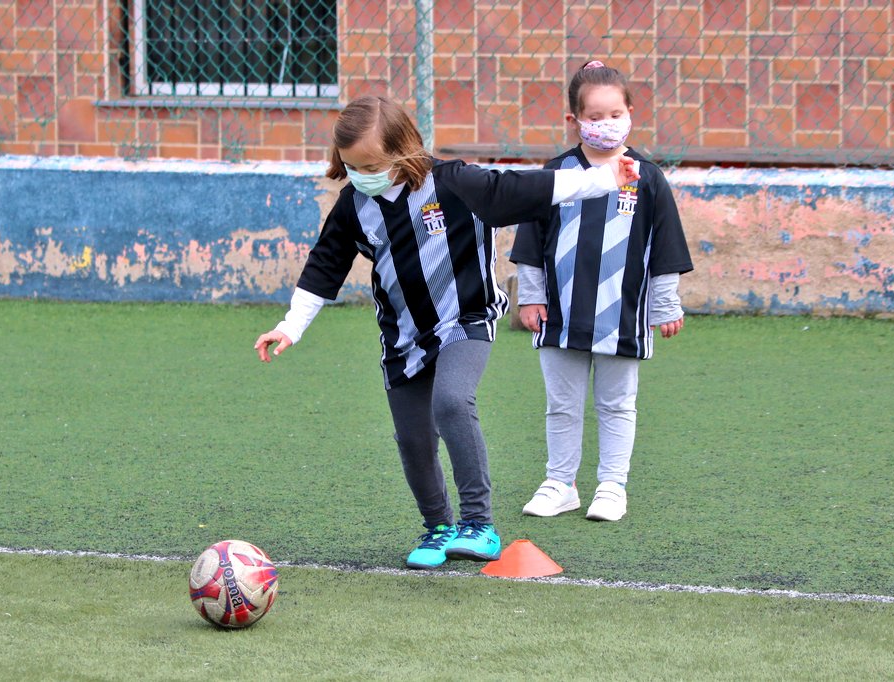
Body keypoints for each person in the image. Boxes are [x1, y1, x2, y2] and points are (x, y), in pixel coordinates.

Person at [254, 95, 640, 568]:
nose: (362, 176)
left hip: (466, 320)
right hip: (403, 338)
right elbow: (323, 267)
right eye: (352, 167)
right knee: (413, 438)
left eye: (372, 165)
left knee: (453, 402)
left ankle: (479, 524)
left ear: (403, 151)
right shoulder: (355, 205)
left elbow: (527, 188)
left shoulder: (454, 182)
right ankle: (437, 527)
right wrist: (289, 326)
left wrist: (604, 177)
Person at [511, 61, 693, 522]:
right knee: (562, 405)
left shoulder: (647, 177)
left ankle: (612, 486)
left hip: (623, 316)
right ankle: (560, 482)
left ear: (631, 111)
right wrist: (531, 297)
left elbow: (666, 248)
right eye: (595, 116)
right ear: (574, 120)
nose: (607, 124)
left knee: (617, 404)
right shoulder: (557, 174)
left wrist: (665, 305)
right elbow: (531, 242)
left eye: (616, 114)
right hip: (562, 314)